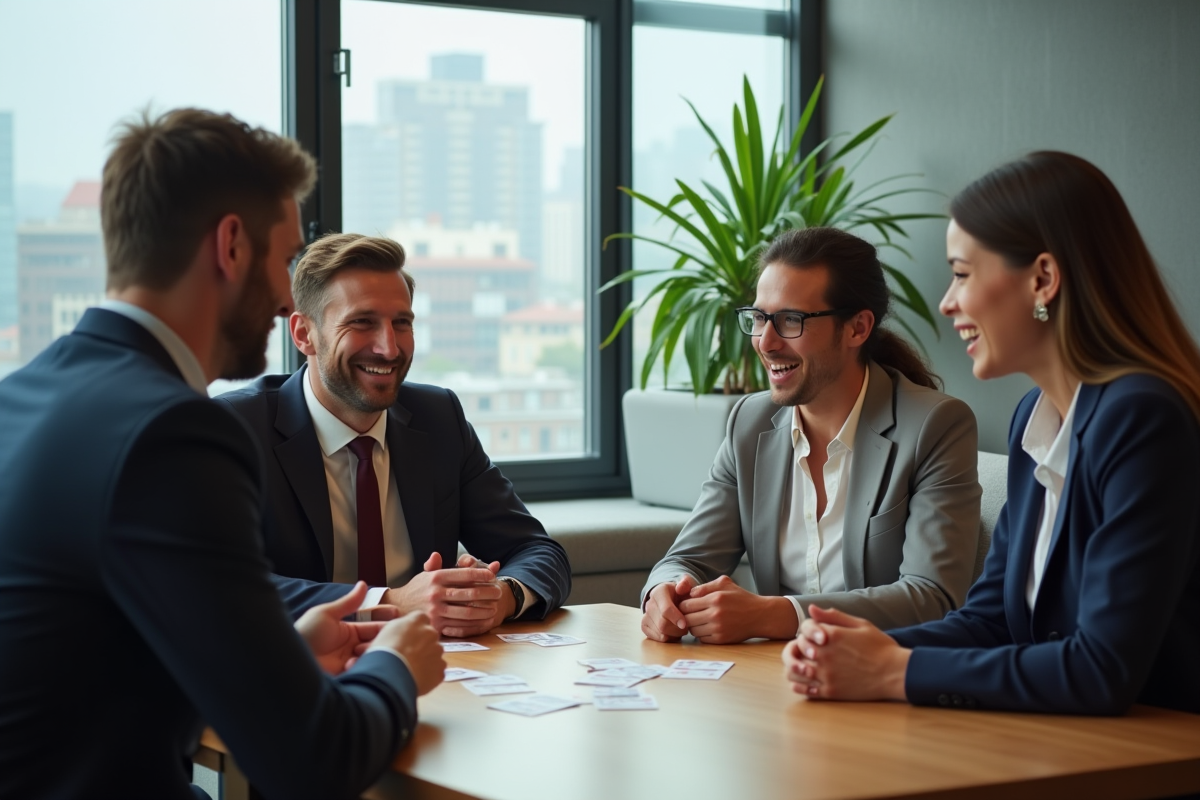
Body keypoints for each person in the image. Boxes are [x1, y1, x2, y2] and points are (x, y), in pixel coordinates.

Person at [0, 108, 446, 799]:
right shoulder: (174, 434)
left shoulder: (21, 397)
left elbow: (80, 667)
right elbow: (312, 763)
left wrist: (284, 656)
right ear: (232, 245)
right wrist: (395, 666)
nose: (282, 298)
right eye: (286, 255)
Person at [784, 151, 1200, 716]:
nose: (946, 301)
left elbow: (1102, 669)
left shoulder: (1141, 417)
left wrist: (892, 669)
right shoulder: (1036, 416)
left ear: (1043, 279)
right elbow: (992, 621)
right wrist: (854, 649)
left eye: (960, 273)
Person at [218, 232, 571, 638]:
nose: (389, 348)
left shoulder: (438, 418)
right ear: (303, 335)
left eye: (401, 323)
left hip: (431, 675)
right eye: (362, 322)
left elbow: (538, 552)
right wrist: (392, 603)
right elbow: (223, 585)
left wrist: (498, 597)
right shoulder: (236, 429)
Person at [641, 226, 982, 644]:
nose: (765, 342)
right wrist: (665, 593)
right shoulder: (748, 422)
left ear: (857, 328)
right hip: (775, 681)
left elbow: (933, 597)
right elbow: (689, 557)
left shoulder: (935, 425)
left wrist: (778, 614)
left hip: (885, 682)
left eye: (789, 320)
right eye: (759, 318)